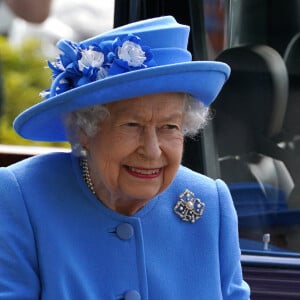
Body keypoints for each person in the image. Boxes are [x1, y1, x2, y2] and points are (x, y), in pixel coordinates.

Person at [0, 16, 250, 299]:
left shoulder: (211, 202)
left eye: (169, 127)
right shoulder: (23, 197)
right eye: (132, 125)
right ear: (85, 129)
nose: (152, 150)